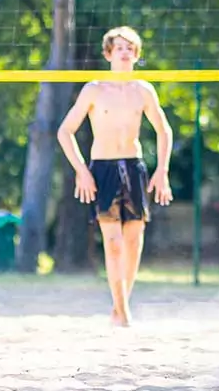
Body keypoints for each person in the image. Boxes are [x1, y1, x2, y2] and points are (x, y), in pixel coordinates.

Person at [57, 26, 173, 327]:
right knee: (114, 243)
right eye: (118, 47)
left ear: (136, 54)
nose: (124, 52)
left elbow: (164, 130)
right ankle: (123, 313)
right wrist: (81, 171)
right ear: (108, 53)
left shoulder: (143, 90)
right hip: (103, 168)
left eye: (129, 47)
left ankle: (120, 307)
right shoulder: (94, 89)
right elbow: (64, 131)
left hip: (133, 166)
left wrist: (162, 170)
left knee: (134, 242)